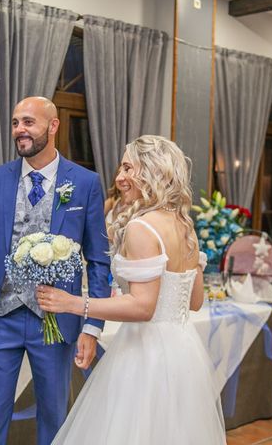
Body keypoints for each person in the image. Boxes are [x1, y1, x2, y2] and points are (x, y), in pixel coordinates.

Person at [0, 96, 110, 445]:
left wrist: (92, 326)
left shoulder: (85, 183)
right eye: (16, 123)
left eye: (28, 122)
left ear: (53, 126)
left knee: (54, 415)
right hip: (1, 317)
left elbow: (100, 259)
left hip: (55, 319)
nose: (20, 130)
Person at [37, 135, 226, 445]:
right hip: (183, 353)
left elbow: (142, 307)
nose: (119, 178)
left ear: (152, 171)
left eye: (127, 168)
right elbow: (194, 302)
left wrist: (74, 303)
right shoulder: (184, 225)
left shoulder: (142, 228)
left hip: (145, 355)